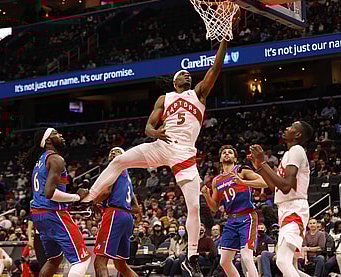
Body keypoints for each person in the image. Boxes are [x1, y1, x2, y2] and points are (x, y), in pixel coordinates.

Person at [82, 39, 230, 277]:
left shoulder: (199, 93)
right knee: (119, 160)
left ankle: (191, 258)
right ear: (175, 81)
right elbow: (148, 127)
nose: (188, 77)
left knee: (194, 207)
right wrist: (155, 132)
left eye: (189, 75)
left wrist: (224, 42)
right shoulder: (165, 98)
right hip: (163, 145)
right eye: (183, 75)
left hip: (185, 153)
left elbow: (216, 68)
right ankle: (89, 197)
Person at [21, 128, 91, 277]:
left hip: (39, 215)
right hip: (53, 213)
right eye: (56, 134)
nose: (61, 135)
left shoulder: (40, 160)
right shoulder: (56, 159)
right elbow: (50, 193)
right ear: (48, 141)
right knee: (82, 260)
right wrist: (76, 197)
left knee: (54, 259)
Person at [249, 120, 314, 277]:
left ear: (298, 134)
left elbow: (286, 186)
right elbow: (275, 187)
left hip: (294, 209)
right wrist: (259, 166)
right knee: (290, 266)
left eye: (291, 127)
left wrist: (264, 163)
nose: (286, 128)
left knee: (282, 261)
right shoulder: (288, 154)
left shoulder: (297, 150)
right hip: (286, 208)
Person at [201, 145, 267, 277]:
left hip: (247, 217)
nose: (226, 154)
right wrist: (206, 195)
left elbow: (264, 182)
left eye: (230, 152)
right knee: (224, 261)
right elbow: (214, 208)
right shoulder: (216, 181)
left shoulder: (241, 171)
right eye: (224, 153)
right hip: (231, 220)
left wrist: (243, 182)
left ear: (235, 158)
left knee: (246, 256)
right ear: (220, 159)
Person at [93, 147, 141, 277]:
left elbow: (107, 191)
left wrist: (92, 200)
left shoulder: (114, 168)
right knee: (121, 265)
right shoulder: (128, 178)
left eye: (117, 152)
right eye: (111, 152)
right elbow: (136, 208)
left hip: (115, 214)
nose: (113, 153)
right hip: (127, 218)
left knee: (99, 262)